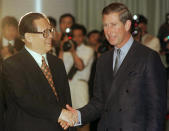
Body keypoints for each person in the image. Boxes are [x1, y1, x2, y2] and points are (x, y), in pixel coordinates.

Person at [59, 2, 167, 131]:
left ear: (127, 25)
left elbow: (157, 109)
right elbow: (99, 102)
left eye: (114, 25)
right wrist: (77, 115)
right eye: (105, 25)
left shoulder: (148, 57)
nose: (108, 31)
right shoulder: (103, 60)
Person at [1, 12, 77, 131]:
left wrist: (68, 120)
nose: (51, 36)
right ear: (28, 37)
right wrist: (60, 113)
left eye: (51, 31)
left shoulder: (57, 63)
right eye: (45, 33)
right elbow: (24, 98)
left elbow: (65, 99)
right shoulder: (12, 64)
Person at [59, 24, 94, 131]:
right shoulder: (65, 50)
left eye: (79, 36)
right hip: (66, 87)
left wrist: (73, 51)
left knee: (82, 121)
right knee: (65, 121)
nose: (76, 39)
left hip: (80, 87)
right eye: (74, 36)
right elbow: (58, 68)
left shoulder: (88, 49)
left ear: (83, 37)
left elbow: (80, 66)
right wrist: (61, 49)